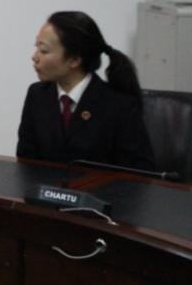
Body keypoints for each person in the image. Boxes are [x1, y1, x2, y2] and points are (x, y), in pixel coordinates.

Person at [17, 11, 155, 170]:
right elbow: (25, 161)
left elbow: (140, 172)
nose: (35, 57)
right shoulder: (37, 95)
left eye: (44, 50)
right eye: (37, 47)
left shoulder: (119, 105)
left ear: (74, 60)